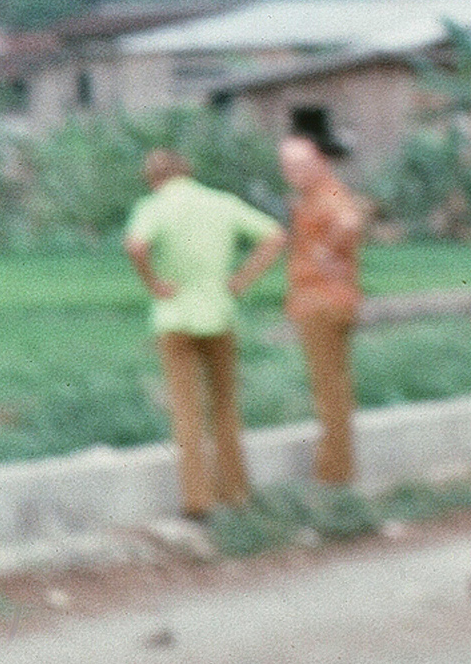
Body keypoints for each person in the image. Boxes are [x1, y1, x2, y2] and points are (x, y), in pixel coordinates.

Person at [122, 147, 286, 518]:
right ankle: (236, 492)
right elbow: (275, 236)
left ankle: (197, 499)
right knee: (225, 405)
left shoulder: (153, 206)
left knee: (186, 409)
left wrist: (153, 283)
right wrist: (242, 280)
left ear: (153, 178)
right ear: (187, 171)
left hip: (175, 318)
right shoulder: (221, 202)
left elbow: (135, 245)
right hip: (220, 315)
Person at [277, 133, 372, 486]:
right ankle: (337, 471)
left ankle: (333, 477)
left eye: (302, 165)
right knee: (333, 390)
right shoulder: (315, 195)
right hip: (325, 301)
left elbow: (350, 222)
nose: (294, 173)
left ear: (320, 162)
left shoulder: (327, 193)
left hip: (323, 303)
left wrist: (326, 253)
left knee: (329, 393)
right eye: (289, 166)